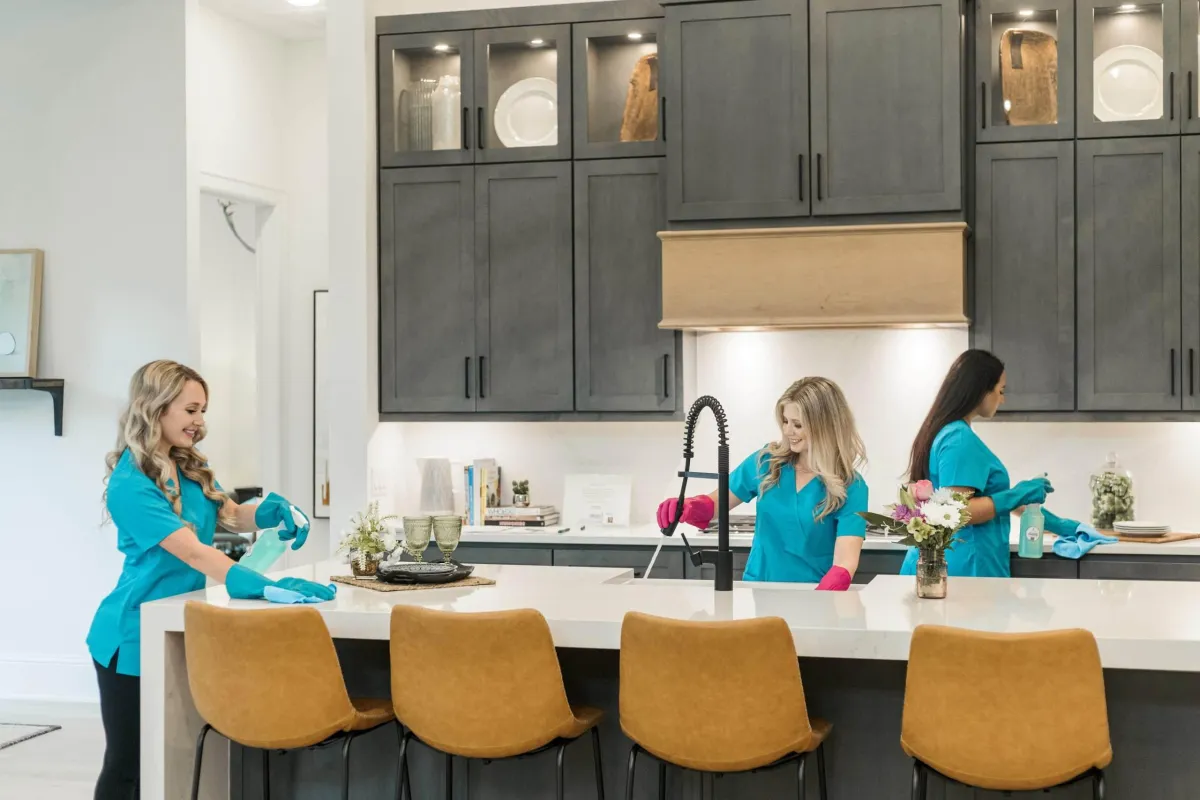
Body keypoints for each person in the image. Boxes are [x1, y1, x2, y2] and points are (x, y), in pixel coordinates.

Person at [88, 360, 333, 800]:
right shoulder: (131, 482)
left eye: (203, 411)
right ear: (156, 409)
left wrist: (268, 511)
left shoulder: (185, 465)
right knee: (128, 765)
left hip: (182, 623)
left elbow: (229, 515)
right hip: (131, 636)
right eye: (191, 410)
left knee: (171, 758)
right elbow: (192, 550)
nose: (200, 422)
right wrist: (255, 583)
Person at [656, 377, 869, 589]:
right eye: (785, 421)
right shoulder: (767, 462)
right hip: (761, 589)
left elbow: (844, 563)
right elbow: (714, 505)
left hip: (813, 593)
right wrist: (688, 507)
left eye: (798, 425)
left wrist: (822, 598)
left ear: (825, 426)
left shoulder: (851, 486)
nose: (787, 431)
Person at [898, 349, 1091, 578]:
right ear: (982, 391)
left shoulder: (949, 432)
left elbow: (984, 499)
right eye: (1000, 391)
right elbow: (958, 512)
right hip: (964, 568)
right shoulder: (959, 439)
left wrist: (1064, 526)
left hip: (951, 565)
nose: (1002, 398)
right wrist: (1017, 493)